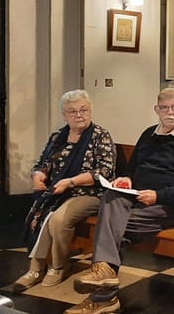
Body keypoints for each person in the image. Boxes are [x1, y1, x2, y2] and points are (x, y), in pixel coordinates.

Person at [65, 88, 174, 314]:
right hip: (136, 201)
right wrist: (126, 179)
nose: (169, 112)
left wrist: (158, 195)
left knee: (112, 228)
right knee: (111, 196)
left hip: (168, 207)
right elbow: (132, 170)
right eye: (164, 107)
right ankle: (105, 282)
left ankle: (103, 295)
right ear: (156, 110)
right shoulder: (148, 134)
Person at [14, 90, 115, 291]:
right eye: (73, 111)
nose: (79, 115)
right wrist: (38, 175)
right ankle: (35, 268)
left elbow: (104, 171)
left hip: (91, 194)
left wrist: (71, 182)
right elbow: (42, 163)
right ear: (64, 115)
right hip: (59, 192)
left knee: (58, 218)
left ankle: (57, 266)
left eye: (84, 110)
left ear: (90, 111)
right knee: (43, 213)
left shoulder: (100, 135)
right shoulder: (57, 137)